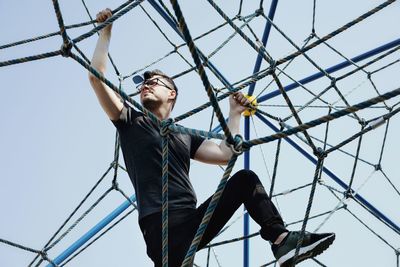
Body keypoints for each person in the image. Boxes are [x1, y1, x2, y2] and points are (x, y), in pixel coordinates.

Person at [88, 9, 335, 267]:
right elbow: (96, 78)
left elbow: (226, 153)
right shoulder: (131, 121)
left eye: (154, 81)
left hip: (191, 222)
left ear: (171, 94)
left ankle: (281, 241)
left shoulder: (183, 135)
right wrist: (105, 33)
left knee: (245, 180)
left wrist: (235, 113)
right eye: (143, 83)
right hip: (160, 229)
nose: (145, 85)